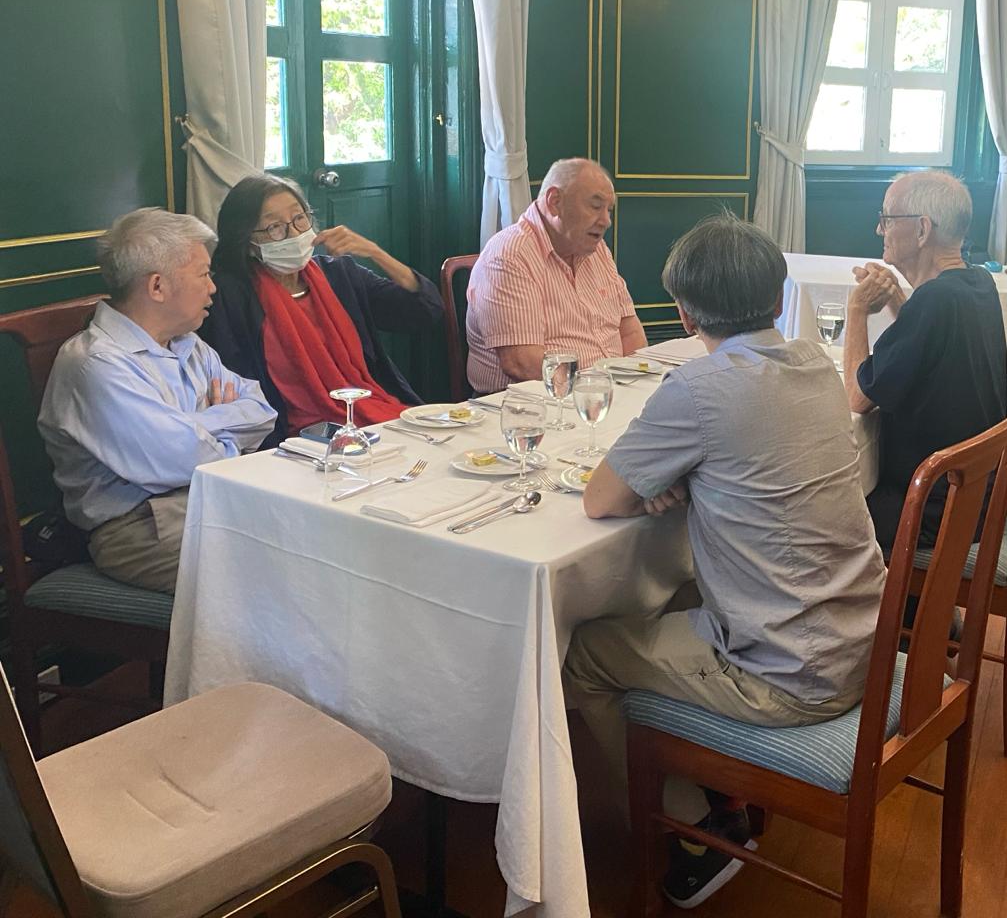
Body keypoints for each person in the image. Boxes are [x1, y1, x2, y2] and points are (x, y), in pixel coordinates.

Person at [564, 214, 886, 909]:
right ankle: (715, 786)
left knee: (583, 656)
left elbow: (599, 498)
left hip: (793, 676)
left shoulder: (698, 388)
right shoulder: (815, 364)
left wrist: (665, 480)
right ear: (778, 298)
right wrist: (687, 477)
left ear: (684, 314)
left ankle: (695, 830)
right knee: (677, 592)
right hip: (868, 642)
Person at [38, 209, 276, 594]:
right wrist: (220, 427)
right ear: (157, 287)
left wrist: (195, 425)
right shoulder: (96, 364)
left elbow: (262, 411)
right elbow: (183, 460)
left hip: (212, 496)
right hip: (140, 527)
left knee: (317, 531)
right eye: (203, 274)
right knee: (285, 569)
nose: (213, 288)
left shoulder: (188, 343)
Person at [201, 175, 443, 447]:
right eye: (274, 227)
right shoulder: (230, 295)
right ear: (247, 241)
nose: (294, 234)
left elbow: (426, 310)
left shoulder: (338, 274)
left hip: (371, 413)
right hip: (293, 438)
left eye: (299, 219)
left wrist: (375, 253)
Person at [840, 169, 1007, 556]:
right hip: (971, 497)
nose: (879, 230)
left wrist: (857, 311)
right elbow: (928, 346)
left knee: (813, 512)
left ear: (921, 230)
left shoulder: (935, 301)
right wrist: (898, 297)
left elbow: (856, 398)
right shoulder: (977, 283)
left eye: (887, 219)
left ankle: (873, 595)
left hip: (926, 510)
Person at [465, 158, 646, 393]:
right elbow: (522, 363)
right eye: (595, 206)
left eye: (608, 210)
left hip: (607, 393)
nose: (606, 221)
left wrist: (637, 388)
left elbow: (630, 331)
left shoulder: (597, 250)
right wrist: (592, 392)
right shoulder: (509, 255)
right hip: (532, 403)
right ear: (554, 202)